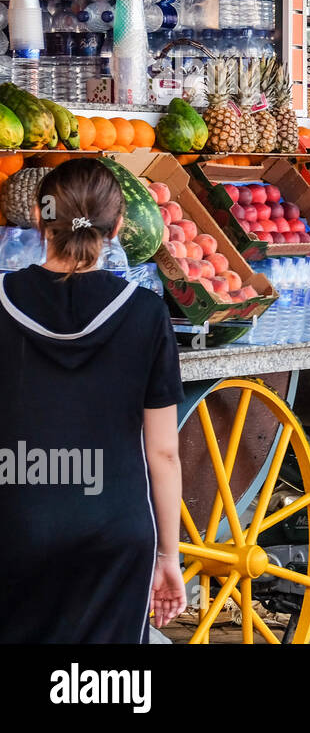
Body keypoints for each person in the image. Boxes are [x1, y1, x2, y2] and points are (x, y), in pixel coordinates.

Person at [0, 160, 185, 642]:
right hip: (116, 530)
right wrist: (168, 555)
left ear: (40, 222)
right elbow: (163, 453)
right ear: (119, 227)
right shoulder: (146, 314)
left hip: (16, 522)